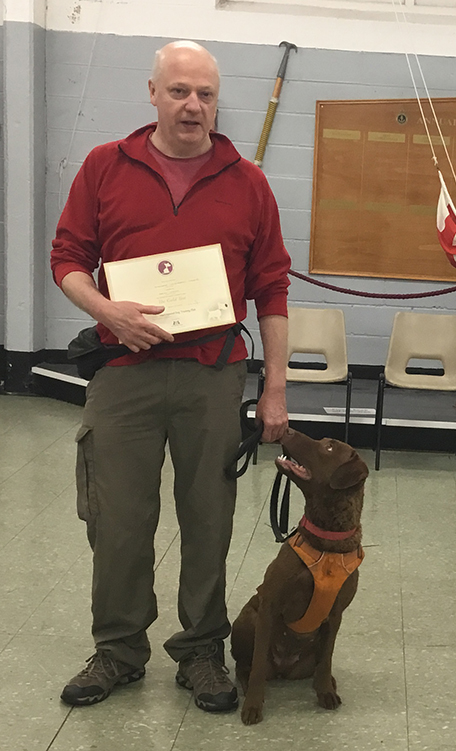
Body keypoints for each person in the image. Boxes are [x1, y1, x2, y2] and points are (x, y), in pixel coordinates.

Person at [50, 40, 291, 712]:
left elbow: (272, 288)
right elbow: (67, 257)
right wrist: (107, 311)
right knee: (117, 518)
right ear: (153, 93)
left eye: (205, 94)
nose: (193, 105)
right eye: (180, 91)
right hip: (122, 372)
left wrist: (275, 387)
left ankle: (202, 649)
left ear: (217, 102)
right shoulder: (105, 166)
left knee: (209, 518)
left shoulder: (248, 182)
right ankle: (118, 648)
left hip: (212, 376)